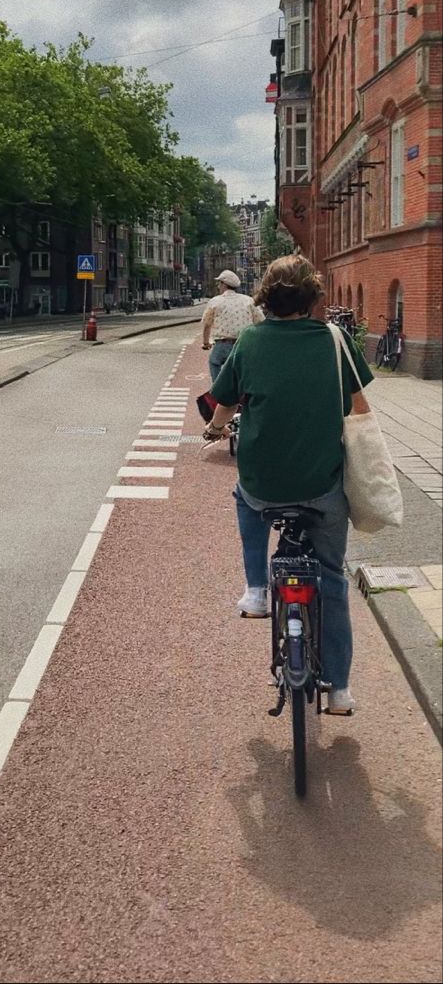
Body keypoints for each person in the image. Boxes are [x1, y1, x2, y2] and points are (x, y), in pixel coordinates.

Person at [203, 254, 373, 715]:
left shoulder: (251, 342)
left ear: (267, 299)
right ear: (314, 297)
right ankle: (339, 690)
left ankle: (257, 590)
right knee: (333, 578)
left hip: (264, 483)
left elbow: (223, 405)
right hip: (322, 485)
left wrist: (217, 430)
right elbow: (359, 407)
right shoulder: (336, 341)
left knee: (244, 496)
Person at [201, 269, 264, 382]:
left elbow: (207, 325)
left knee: (214, 362)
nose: (218, 286)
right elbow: (261, 322)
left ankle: (217, 390)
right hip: (244, 344)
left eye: (219, 283)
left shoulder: (215, 301)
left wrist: (206, 343)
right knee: (245, 369)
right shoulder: (248, 300)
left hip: (223, 344)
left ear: (224, 284)